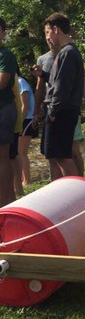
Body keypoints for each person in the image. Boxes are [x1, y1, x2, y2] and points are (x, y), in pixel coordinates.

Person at [39, 13, 85, 181]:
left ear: (56, 30)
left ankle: (75, 194)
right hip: (63, 109)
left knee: (62, 156)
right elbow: (57, 81)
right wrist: (44, 75)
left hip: (61, 111)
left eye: (47, 32)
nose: (47, 37)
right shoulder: (66, 53)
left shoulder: (67, 53)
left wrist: (52, 111)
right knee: (57, 155)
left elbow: (62, 87)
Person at [0, 17, 19, 205]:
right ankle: (9, 197)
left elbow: (2, 82)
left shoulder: (5, 55)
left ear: (3, 33)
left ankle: (5, 200)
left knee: (3, 156)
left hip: (4, 110)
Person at [15, 68, 35, 192]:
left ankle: (27, 180)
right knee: (18, 152)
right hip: (22, 120)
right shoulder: (15, 83)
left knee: (21, 152)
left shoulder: (20, 82)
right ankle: (22, 179)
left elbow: (25, 106)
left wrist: (19, 123)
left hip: (26, 120)